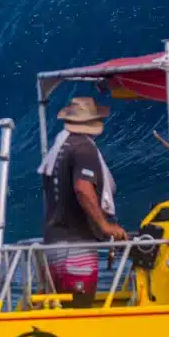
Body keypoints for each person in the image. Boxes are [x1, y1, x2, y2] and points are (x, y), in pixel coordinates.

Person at [37, 97, 126, 307]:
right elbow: (83, 188)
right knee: (80, 309)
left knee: (61, 313)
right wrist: (104, 225)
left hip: (54, 244)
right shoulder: (84, 149)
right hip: (76, 248)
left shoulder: (59, 148)